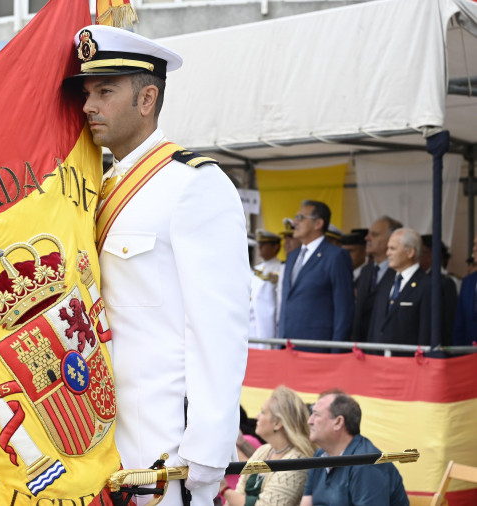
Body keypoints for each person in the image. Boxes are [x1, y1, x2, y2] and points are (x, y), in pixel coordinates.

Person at [70, 25, 249, 505]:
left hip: (162, 448)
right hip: (96, 439)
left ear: (147, 98)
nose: (89, 106)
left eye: (105, 91)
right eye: (87, 92)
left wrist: (207, 456)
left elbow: (220, 329)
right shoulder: (94, 186)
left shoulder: (194, 185)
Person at [302, 392, 408, 506]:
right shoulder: (319, 455)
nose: (309, 421)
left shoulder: (366, 464)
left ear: (338, 422)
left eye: (316, 415)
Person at [278, 200, 354, 351]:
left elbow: (344, 309)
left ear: (318, 223)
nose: (295, 222)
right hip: (288, 346)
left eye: (300, 217)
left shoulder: (335, 256)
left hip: (318, 348)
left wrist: (336, 352)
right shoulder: (292, 256)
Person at [223, 386, 315, 506]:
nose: (257, 416)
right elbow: (239, 491)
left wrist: (224, 490)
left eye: (263, 412)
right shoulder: (264, 450)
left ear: (277, 423)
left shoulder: (298, 460)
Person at [368, 229, 443, 350]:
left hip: (408, 363)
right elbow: (374, 326)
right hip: (379, 361)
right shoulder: (386, 283)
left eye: (393, 249)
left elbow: (425, 332)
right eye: (388, 248)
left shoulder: (427, 286)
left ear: (410, 252)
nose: (387, 253)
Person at [352, 216, 401, 341]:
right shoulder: (366, 271)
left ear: (391, 240)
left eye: (374, 235)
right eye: (368, 234)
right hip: (361, 348)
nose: (367, 238)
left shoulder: (400, 273)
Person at [250, 230, 282, 344]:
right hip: (253, 323)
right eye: (260, 244)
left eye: (264, 244)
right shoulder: (257, 268)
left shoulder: (280, 268)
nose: (260, 247)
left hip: (269, 323)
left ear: (275, 247)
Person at [453, 236, 477, 345]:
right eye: (474, 244)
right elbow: (460, 323)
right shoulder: (468, 282)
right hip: (469, 355)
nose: (475, 249)